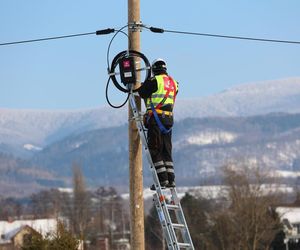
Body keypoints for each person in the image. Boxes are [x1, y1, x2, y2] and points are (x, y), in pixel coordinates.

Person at [137, 58, 179, 189]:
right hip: (168, 121)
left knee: (155, 149)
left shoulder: (155, 81)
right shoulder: (174, 83)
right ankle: (171, 180)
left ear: (153, 70)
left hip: (156, 119)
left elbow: (142, 92)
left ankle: (162, 181)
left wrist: (145, 82)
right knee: (166, 150)